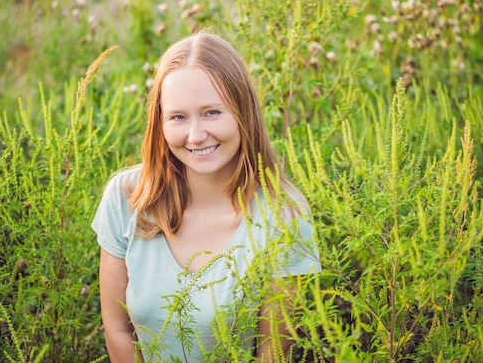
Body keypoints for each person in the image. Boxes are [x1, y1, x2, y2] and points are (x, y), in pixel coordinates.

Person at [91, 31, 322, 362]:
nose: (196, 136)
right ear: (160, 122)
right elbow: (118, 330)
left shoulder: (284, 216)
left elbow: (273, 355)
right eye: (178, 117)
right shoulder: (126, 198)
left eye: (213, 112)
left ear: (243, 112)